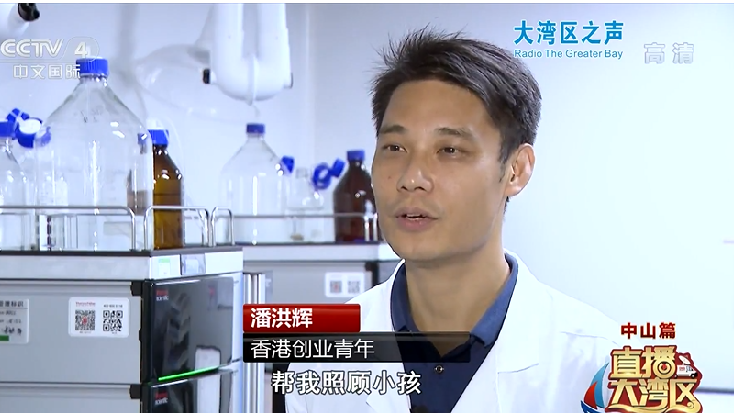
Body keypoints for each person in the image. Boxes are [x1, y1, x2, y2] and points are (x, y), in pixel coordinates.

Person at [285, 27, 626, 413]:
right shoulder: (322, 360)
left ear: (516, 170)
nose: (412, 178)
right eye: (394, 147)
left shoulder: (603, 365)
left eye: (449, 149)